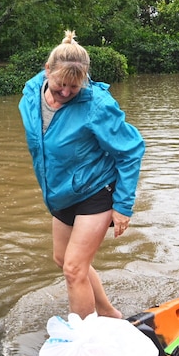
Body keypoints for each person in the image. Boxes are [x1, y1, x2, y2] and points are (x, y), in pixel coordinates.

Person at [18, 30, 145, 319]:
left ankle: (85, 342)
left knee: (74, 269)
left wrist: (123, 207)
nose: (65, 93)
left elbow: (131, 150)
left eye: (73, 88)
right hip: (61, 191)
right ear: (46, 70)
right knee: (63, 259)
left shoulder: (96, 105)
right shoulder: (29, 94)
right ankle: (110, 313)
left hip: (97, 191)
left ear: (84, 79)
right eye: (60, 85)